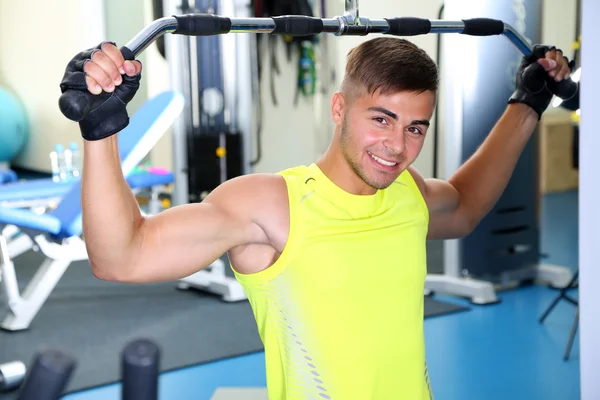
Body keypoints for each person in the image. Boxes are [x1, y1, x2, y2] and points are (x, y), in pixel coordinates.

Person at [59, 37, 572, 399]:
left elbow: (463, 205)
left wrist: (527, 103)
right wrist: (101, 130)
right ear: (338, 109)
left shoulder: (406, 193)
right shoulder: (270, 205)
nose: (397, 147)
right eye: (381, 119)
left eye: (416, 128)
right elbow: (121, 257)